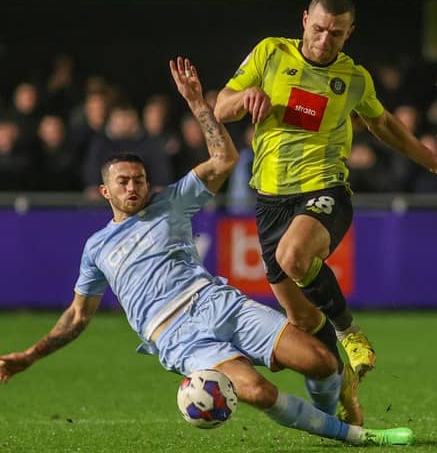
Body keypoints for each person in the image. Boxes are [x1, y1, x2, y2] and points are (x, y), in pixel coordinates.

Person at [0, 57, 414, 447]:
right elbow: (77, 316)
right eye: (123, 182)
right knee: (257, 390)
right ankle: (355, 437)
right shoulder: (96, 248)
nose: (133, 187)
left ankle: (334, 420)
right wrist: (30, 356)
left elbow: (224, 158)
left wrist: (198, 104)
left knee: (322, 362)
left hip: (218, 301)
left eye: (139, 179)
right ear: (105, 191)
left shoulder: (171, 202)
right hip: (179, 336)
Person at [213, 0, 437, 423]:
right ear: (303, 21)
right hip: (270, 201)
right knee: (302, 323)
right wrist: (245, 99)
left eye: (335, 33)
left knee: (293, 256)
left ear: (349, 33)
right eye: (318, 29)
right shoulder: (270, 54)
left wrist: (435, 162)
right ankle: (346, 384)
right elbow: (221, 106)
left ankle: (350, 331)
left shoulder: (353, 80)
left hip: (325, 189)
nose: (323, 39)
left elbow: (384, 124)